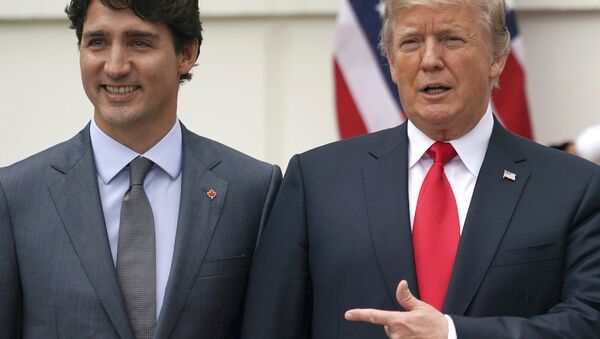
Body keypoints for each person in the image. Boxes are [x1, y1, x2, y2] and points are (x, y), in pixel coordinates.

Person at [241, 0, 600, 338]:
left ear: (497, 57)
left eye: (451, 39)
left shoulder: (575, 188)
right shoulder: (316, 181)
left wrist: (452, 334)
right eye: (411, 42)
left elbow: (588, 321)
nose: (429, 59)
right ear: (393, 64)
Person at [0, 0, 281, 338]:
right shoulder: (16, 197)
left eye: (139, 42)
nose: (115, 66)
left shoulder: (253, 191)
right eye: (98, 42)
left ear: (186, 54)